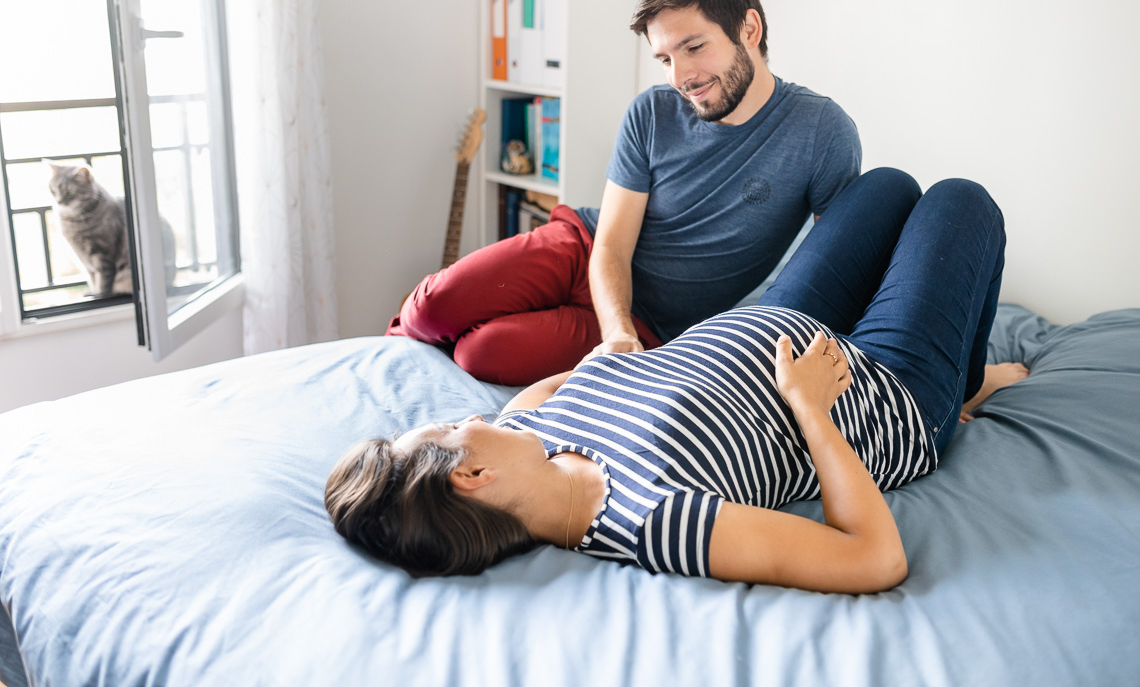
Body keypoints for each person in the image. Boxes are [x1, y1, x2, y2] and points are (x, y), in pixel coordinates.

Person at [327, 169, 1029, 593]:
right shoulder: (652, 519)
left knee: (886, 188)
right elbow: (874, 558)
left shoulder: (524, 432)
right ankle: (961, 388)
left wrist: (616, 346)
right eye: (454, 429)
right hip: (878, 394)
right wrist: (810, 409)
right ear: (472, 476)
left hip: (781, 321)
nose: (468, 419)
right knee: (961, 202)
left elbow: (588, 372)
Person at [386, 0, 862, 386]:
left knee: (479, 352)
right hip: (583, 250)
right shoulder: (652, 112)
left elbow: (830, 274)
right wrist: (615, 335)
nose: (680, 78)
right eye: (665, 59)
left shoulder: (823, 132)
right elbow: (611, 244)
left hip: (651, 324)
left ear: (749, 29)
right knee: (432, 307)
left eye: (694, 47)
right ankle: (388, 362)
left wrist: (627, 338)